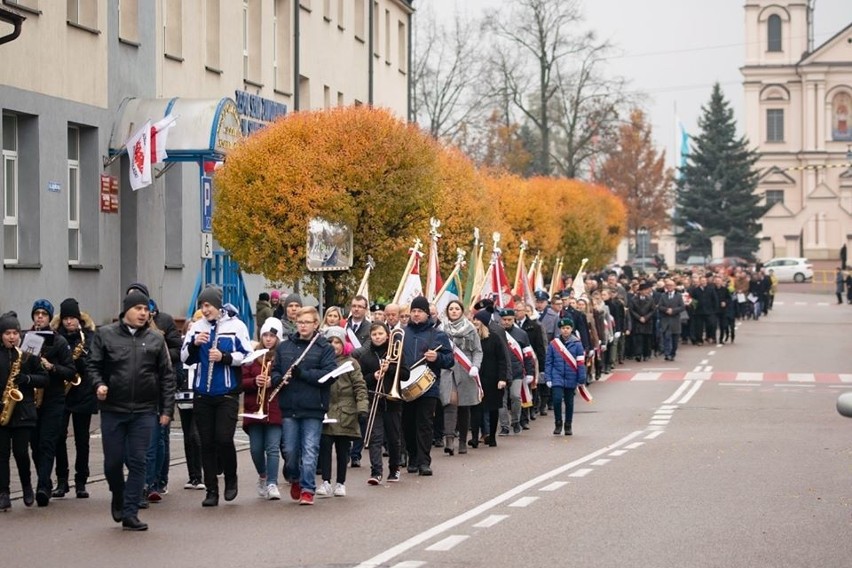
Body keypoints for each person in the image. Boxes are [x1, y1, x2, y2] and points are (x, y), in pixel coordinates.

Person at [88, 290, 175, 531]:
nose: (143, 313)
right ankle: (118, 493)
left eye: (146, 309)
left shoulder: (156, 339)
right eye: (138, 309)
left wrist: (167, 410)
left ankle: (130, 512)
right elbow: (92, 366)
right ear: (126, 310)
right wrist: (99, 384)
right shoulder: (105, 335)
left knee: (138, 462)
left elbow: (167, 377)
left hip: (145, 411)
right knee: (113, 463)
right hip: (113, 409)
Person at [181, 286, 252, 507]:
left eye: (208, 305)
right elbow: (184, 358)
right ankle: (211, 490)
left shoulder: (236, 326)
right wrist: (194, 345)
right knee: (206, 443)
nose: (205, 310)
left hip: (227, 394)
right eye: (202, 306)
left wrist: (225, 357)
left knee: (223, 438)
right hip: (203, 393)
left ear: (218, 306)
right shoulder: (196, 328)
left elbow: (248, 355)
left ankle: (231, 478)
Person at [272, 306, 337, 506]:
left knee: (310, 450)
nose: (302, 326)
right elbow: (275, 371)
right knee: (290, 450)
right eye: (300, 322)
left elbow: (329, 376)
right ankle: (295, 477)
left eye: (307, 322)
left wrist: (303, 374)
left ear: (316, 324)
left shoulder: (323, 347)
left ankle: (308, 489)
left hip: (313, 406)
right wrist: (279, 378)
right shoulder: (284, 347)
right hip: (290, 405)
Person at [26, 299, 75, 507]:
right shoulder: (26, 339)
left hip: (53, 399)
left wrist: (52, 367)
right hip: (31, 400)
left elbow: (71, 372)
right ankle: (44, 479)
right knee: (35, 445)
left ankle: (43, 487)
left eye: (43, 314)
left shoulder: (59, 342)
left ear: (49, 318)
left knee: (47, 443)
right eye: (36, 313)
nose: (39, 317)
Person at [0, 312, 48, 511]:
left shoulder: (28, 354)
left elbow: (44, 378)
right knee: (2, 454)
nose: (12, 337)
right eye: (7, 333)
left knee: (21, 452)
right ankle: (4, 492)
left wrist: (27, 379)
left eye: (15, 333)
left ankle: (27, 486)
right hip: (3, 410)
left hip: (23, 411)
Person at [401, 296, 453, 476]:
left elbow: (450, 360)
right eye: (413, 311)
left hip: (428, 386)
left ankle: (424, 461)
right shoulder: (402, 333)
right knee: (407, 424)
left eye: (420, 312)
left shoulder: (437, 334)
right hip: (405, 386)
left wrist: (437, 358)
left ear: (426, 314)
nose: (416, 315)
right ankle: (412, 457)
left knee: (424, 424)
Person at [50, 298, 97, 499]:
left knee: (82, 439)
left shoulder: (89, 337)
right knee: (59, 437)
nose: (69, 322)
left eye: (73, 318)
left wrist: (82, 359)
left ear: (79, 319)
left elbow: (95, 363)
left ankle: (81, 481)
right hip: (61, 393)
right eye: (66, 318)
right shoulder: (54, 337)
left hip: (83, 392)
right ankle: (62, 480)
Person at [316, 327, 367, 497]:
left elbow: (359, 386)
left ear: (343, 344)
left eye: (337, 342)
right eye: (330, 342)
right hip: (326, 410)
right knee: (324, 446)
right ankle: (325, 481)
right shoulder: (321, 362)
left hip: (346, 411)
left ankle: (341, 482)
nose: (333, 345)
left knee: (342, 449)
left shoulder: (351, 363)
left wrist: (362, 408)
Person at [356, 322, 408, 484]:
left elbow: (406, 374)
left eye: (380, 334)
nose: (377, 337)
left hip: (393, 401)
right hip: (374, 399)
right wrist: (374, 376)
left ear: (387, 335)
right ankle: (376, 472)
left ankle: (394, 469)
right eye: (374, 335)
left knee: (393, 438)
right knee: (375, 438)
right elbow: (361, 380)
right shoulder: (366, 357)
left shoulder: (396, 353)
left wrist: (389, 369)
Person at [241, 317, 284, 501]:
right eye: (265, 335)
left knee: (273, 448)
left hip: (274, 408)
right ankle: (263, 475)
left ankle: (273, 483)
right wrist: (254, 381)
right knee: (256, 449)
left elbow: (285, 378)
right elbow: (240, 381)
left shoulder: (282, 356)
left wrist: (272, 381)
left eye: (272, 335)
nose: (268, 339)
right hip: (254, 409)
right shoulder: (251, 357)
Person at [439, 300, 483, 456]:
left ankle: (463, 441)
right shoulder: (441, 329)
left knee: (464, 406)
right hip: (447, 370)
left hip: (466, 370)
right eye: (451, 309)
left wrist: (475, 366)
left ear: (462, 311)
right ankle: (449, 440)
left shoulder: (470, 329)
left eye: (457, 308)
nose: (454, 311)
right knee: (450, 403)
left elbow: (478, 351)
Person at [469, 310, 508, 448]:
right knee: (476, 409)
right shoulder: (471, 338)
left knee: (492, 409)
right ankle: (475, 437)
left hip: (493, 380)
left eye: (478, 320)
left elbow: (502, 360)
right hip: (476, 378)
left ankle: (492, 436)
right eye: (474, 319)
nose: (475, 322)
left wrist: (502, 378)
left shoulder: (495, 338)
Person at [545, 318, 586, 436]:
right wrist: (548, 377)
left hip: (571, 375)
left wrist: (581, 378)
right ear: (560, 329)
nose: (565, 330)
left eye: (567, 328)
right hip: (556, 375)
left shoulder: (577, 343)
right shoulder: (554, 344)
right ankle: (558, 423)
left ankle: (568, 424)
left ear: (571, 329)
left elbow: (580, 362)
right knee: (557, 400)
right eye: (563, 328)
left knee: (569, 402)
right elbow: (549, 362)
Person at [177, 311, 204, 491]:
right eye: (191, 325)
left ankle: (200, 475)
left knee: (196, 435)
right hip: (182, 395)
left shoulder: (203, 346)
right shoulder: (181, 346)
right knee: (188, 436)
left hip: (198, 395)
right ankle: (192, 475)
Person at [498, 308, 535, 436]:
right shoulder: (496, 333)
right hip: (500, 372)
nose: (506, 322)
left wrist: (530, 372)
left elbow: (528, 355)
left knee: (515, 396)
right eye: (504, 320)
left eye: (509, 320)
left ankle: (515, 421)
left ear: (513, 319)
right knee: (501, 400)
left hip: (517, 371)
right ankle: (504, 426)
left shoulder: (522, 334)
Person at [657, 280, 685, 362]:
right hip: (665, 320)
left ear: (674, 286)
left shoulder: (678, 296)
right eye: (668, 285)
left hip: (675, 320)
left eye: (671, 285)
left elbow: (682, 307)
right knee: (666, 337)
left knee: (675, 339)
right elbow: (660, 306)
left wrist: (673, 310)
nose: (669, 287)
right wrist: (666, 310)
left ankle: (673, 353)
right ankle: (667, 353)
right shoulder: (663, 295)